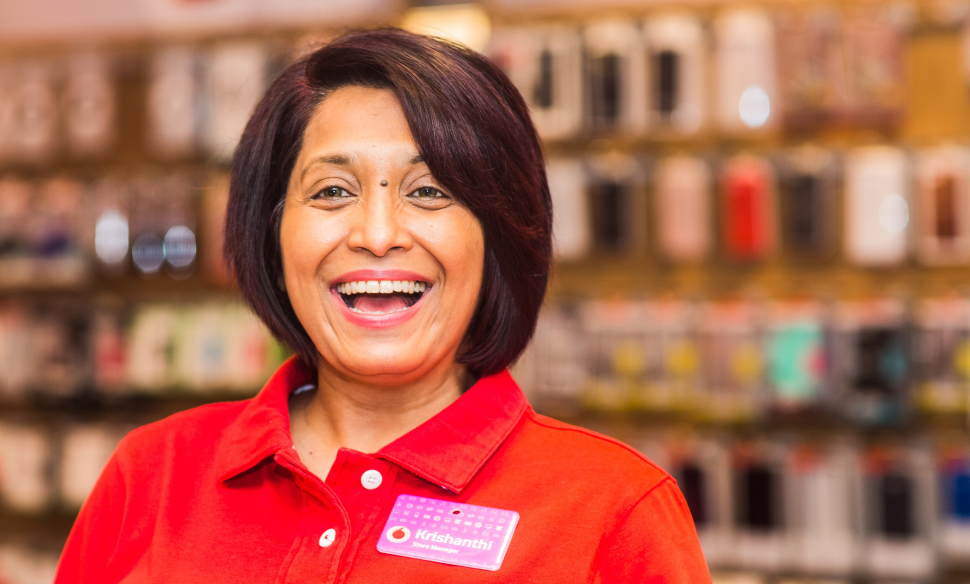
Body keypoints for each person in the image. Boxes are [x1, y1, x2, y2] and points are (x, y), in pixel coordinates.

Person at [55, 28, 709, 583]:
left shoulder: (613, 512)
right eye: (333, 191)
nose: (375, 234)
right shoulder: (153, 474)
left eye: (429, 192)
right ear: (272, 231)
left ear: (500, 234)